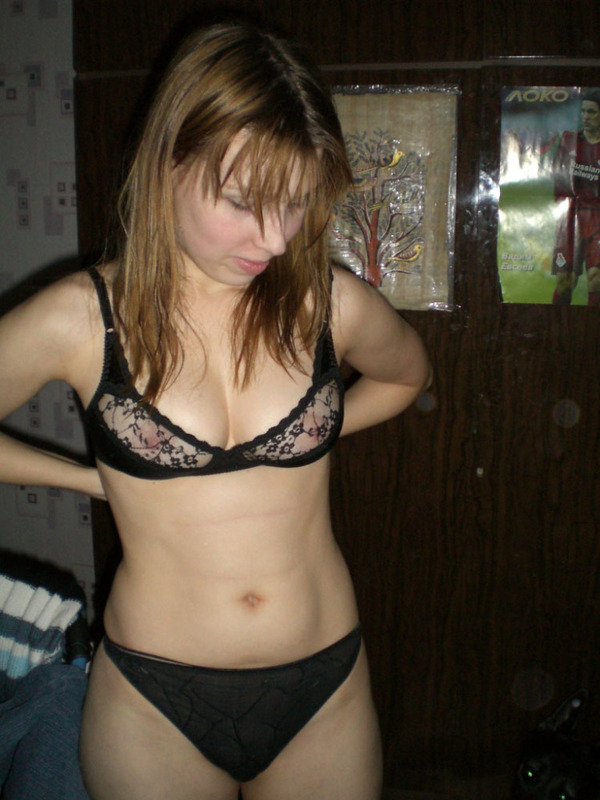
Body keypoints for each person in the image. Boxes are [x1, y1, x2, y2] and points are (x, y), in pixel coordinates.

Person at [0, 20, 432, 800]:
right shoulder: (79, 318)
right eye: (242, 201)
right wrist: (90, 478)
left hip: (325, 685)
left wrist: (320, 429)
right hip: (152, 699)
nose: (275, 238)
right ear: (168, 161)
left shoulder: (328, 303)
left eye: (296, 203)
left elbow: (405, 377)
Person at [549, 89, 600, 305]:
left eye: (592, 112)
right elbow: (558, 179)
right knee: (564, 283)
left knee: (596, 280)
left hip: (598, 219)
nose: (586, 117)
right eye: (583, 111)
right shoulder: (570, 141)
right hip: (571, 217)